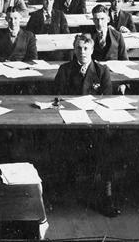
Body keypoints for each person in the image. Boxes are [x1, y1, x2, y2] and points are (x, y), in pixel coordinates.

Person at [52, 34, 118, 217]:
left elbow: (107, 99)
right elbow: (56, 96)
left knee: (105, 147)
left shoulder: (101, 70)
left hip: (94, 122)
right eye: (79, 48)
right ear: (74, 50)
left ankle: (106, 195)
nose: (82, 52)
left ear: (92, 50)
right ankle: (65, 190)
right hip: (70, 121)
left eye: (86, 48)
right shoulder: (65, 70)